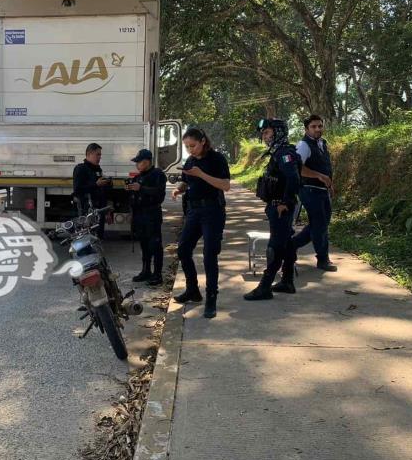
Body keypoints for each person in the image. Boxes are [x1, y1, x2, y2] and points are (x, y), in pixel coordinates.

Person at [172, 127, 231, 318]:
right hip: (194, 211)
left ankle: (211, 298)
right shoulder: (190, 161)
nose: (190, 150)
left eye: (193, 146)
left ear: (203, 141)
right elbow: (187, 181)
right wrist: (179, 189)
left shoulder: (217, 159)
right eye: (187, 147)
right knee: (183, 249)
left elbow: (225, 185)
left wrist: (201, 174)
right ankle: (192, 290)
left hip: (212, 211)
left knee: (209, 255)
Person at [244, 118, 301, 301]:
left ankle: (265, 286)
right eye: (263, 133)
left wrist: (284, 202)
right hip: (277, 204)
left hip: (280, 207)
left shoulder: (285, 153)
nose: (264, 136)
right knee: (287, 242)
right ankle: (287, 281)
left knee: (275, 246)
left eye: (267, 132)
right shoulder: (278, 152)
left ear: (278, 133)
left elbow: (293, 179)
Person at [292, 114, 337, 271]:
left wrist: (329, 184)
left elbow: (325, 166)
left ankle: (291, 245)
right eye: (313, 126)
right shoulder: (303, 145)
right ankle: (323, 259)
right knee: (319, 225)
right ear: (306, 129)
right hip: (309, 190)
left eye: (320, 126)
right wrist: (319, 176)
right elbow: (298, 168)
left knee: (321, 224)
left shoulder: (322, 143)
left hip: (322, 190)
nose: (318, 129)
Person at [126, 149, 167, 286]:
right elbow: (133, 196)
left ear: (147, 162)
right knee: (144, 245)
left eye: (139, 163)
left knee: (155, 245)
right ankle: (146, 270)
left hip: (152, 214)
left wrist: (141, 188)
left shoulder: (158, 174)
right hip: (139, 215)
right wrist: (130, 190)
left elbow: (159, 193)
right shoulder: (138, 177)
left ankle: (157, 274)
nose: (137, 165)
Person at [72, 143, 111, 239]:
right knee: (87, 238)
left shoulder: (97, 169)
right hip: (86, 211)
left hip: (99, 210)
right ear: (89, 154)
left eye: (100, 155)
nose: (100, 157)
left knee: (98, 238)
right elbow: (77, 190)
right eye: (97, 154)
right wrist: (96, 184)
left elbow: (101, 191)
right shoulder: (80, 169)